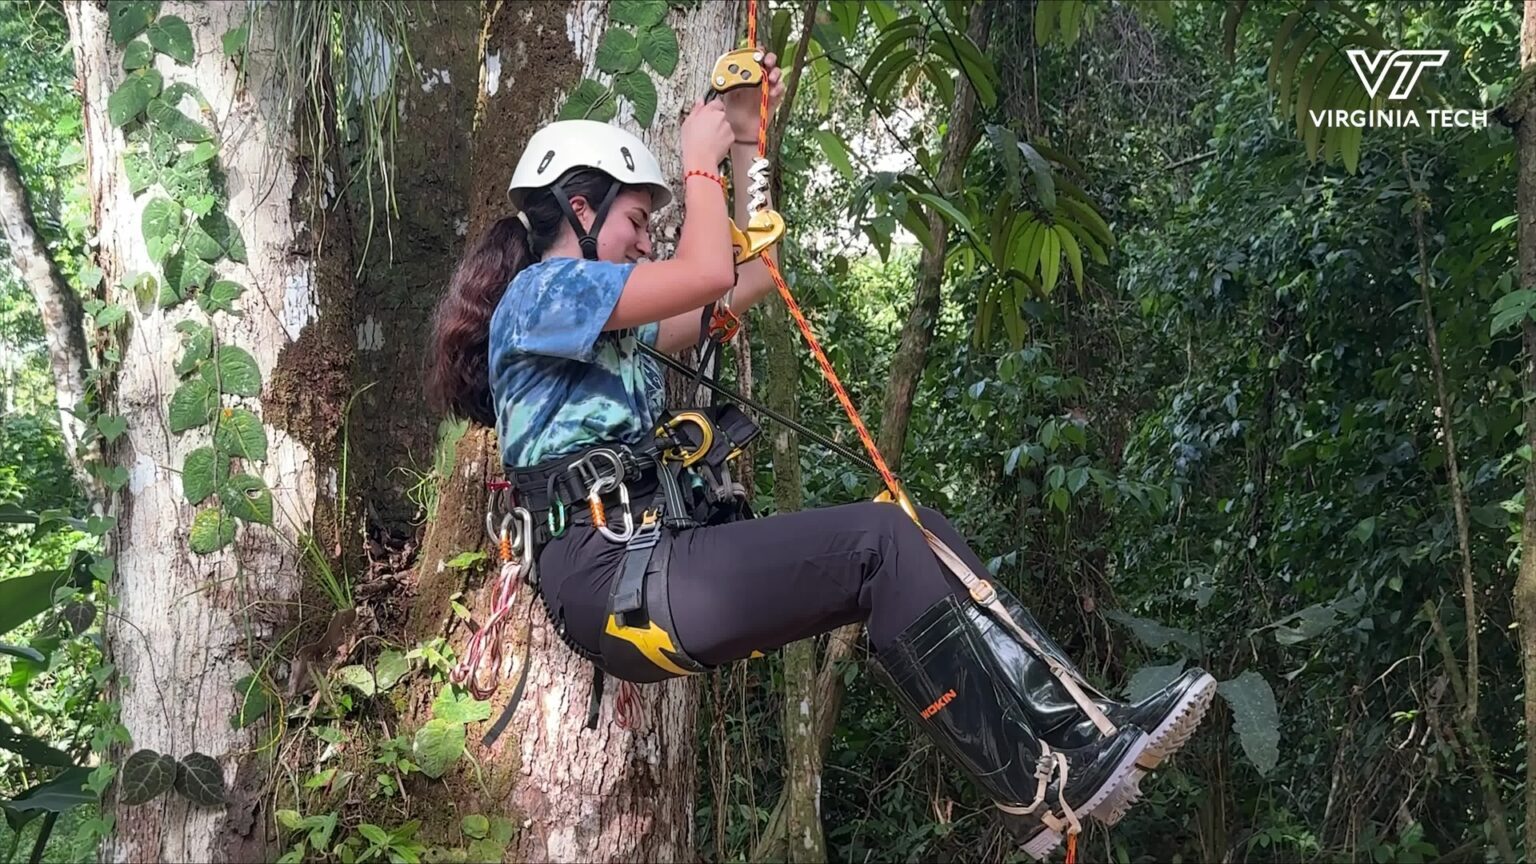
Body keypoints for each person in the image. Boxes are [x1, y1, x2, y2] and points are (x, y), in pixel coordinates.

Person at [426, 49, 1214, 860]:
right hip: (609, 575)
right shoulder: (542, 296)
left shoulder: (608, 327)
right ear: (580, 209)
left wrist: (745, 137)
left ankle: (1076, 737)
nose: (639, 245)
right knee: (880, 544)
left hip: (651, 563)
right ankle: (1027, 789)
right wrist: (697, 165)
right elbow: (701, 271)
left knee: (919, 530)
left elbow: (753, 272)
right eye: (633, 223)